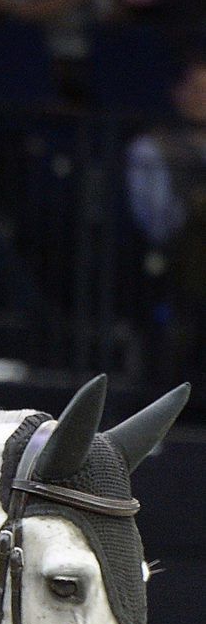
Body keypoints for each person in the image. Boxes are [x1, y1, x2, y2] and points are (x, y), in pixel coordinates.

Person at [125, 56, 206, 384]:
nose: (202, 97)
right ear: (178, 93)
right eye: (197, 88)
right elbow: (157, 220)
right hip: (177, 259)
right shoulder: (152, 148)